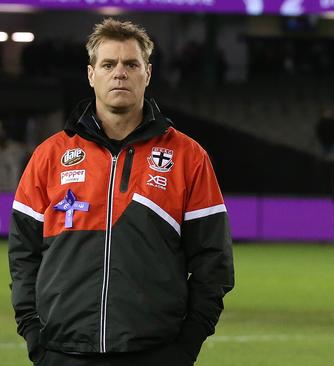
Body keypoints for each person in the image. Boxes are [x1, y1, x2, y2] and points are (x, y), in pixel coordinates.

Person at [9, 19, 234, 366]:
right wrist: (35, 335)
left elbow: (213, 261)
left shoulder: (188, 157)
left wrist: (185, 346)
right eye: (108, 64)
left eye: (131, 64)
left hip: (155, 353)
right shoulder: (49, 156)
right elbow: (23, 254)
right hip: (61, 352)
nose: (120, 73)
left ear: (147, 73)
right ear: (90, 74)